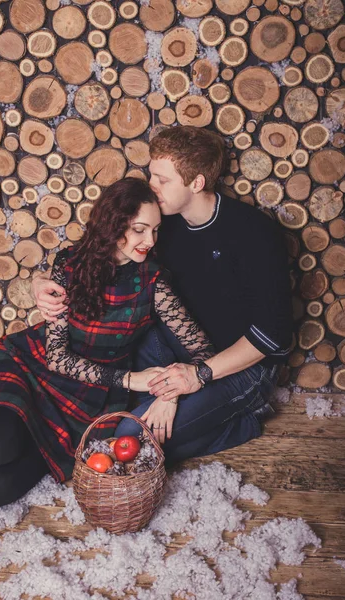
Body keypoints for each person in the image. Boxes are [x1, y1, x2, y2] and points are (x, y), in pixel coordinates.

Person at [0, 177, 236, 507]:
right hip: (33, 369)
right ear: (115, 225)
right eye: (140, 229)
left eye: (155, 231)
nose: (149, 240)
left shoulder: (154, 284)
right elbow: (57, 357)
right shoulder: (69, 265)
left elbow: (203, 352)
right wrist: (131, 379)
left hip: (90, 401)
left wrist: (171, 392)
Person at [35, 126, 293, 467]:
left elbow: (272, 337)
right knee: (100, 417)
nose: (151, 187)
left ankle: (241, 425)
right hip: (173, 344)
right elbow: (97, 250)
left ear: (196, 183)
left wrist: (194, 377)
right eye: (151, 175)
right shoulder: (162, 222)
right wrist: (38, 279)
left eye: (162, 179)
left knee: (130, 437)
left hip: (238, 368)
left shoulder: (254, 233)